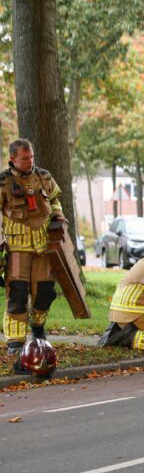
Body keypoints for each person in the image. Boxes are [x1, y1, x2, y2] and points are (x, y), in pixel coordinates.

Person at [0, 139, 66, 364]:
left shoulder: (44, 176)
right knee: (17, 294)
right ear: (13, 159)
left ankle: (38, 329)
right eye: (25, 158)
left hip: (43, 246)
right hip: (17, 248)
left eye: (32, 157)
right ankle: (15, 342)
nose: (30, 162)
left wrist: (57, 214)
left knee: (45, 291)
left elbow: (55, 199)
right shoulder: (3, 182)